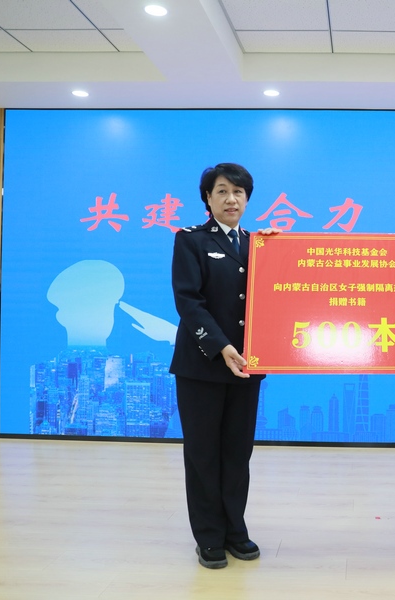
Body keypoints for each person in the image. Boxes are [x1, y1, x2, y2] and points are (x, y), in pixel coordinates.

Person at [170, 162, 276, 569]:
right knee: (203, 454)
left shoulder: (260, 244)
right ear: (208, 198)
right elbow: (188, 301)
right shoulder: (191, 240)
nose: (231, 199)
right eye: (222, 191)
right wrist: (221, 346)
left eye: (239, 192)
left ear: (247, 199)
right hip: (203, 365)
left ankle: (235, 530)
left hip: (247, 365)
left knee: (236, 453)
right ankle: (209, 537)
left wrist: (281, 253)